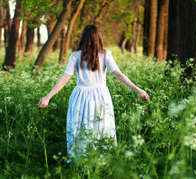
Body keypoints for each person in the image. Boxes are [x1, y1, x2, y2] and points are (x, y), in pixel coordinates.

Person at [38, 24, 150, 159]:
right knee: (102, 127)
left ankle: (80, 162)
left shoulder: (75, 55)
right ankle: (102, 161)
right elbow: (119, 75)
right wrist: (139, 90)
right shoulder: (105, 54)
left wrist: (48, 97)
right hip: (101, 96)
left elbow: (65, 78)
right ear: (99, 38)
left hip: (80, 96)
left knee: (79, 128)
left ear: (82, 39)